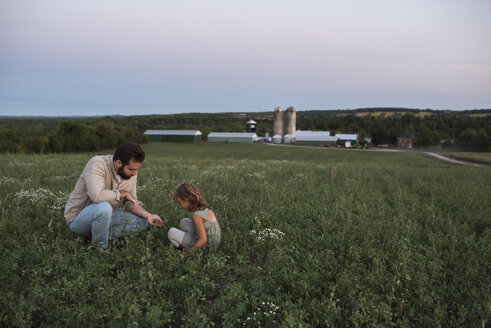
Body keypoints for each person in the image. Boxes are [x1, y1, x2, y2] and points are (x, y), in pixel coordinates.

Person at [64, 142, 163, 249]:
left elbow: (131, 201)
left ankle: (97, 235)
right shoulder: (97, 163)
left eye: (136, 170)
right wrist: (121, 194)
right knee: (104, 207)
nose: (134, 173)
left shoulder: (130, 173)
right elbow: (96, 196)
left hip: (106, 215)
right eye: (131, 169)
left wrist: (148, 215)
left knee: (142, 222)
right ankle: (100, 249)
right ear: (118, 163)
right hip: (78, 219)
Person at [168, 182, 221, 253]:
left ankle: (184, 251)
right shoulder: (206, 209)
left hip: (206, 247)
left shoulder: (196, 216)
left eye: (180, 203)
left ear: (187, 199)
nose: (181, 206)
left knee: (171, 232)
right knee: (184, 222)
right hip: (212, 244)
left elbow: (203, 240)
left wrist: (188, 254)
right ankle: (188, 241)